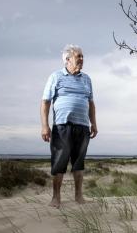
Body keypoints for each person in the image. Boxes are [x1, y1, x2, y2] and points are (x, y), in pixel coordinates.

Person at [40, 44, 97, 208]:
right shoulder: (56, 76)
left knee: (79, 163)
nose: (81, 59)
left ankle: (79, 196)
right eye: (78, 56)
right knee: (59, 162)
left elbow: (91, 103)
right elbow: (45, 102)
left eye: (82, 56)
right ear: (67, 59)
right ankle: (56, 198)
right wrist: (45, 126)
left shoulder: (87, 79)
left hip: (83, 127)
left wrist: (94, 123)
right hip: (62, 126)